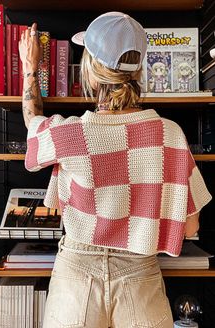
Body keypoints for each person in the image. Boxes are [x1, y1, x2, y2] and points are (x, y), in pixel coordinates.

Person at [19, 12, 212, 328]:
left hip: (76, 278)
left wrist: (30, 68)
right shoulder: (170, 134)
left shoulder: (70, 134)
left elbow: (32, 124)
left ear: (92, 74)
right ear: (138, 71)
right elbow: (190, 228)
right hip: (141, 278)